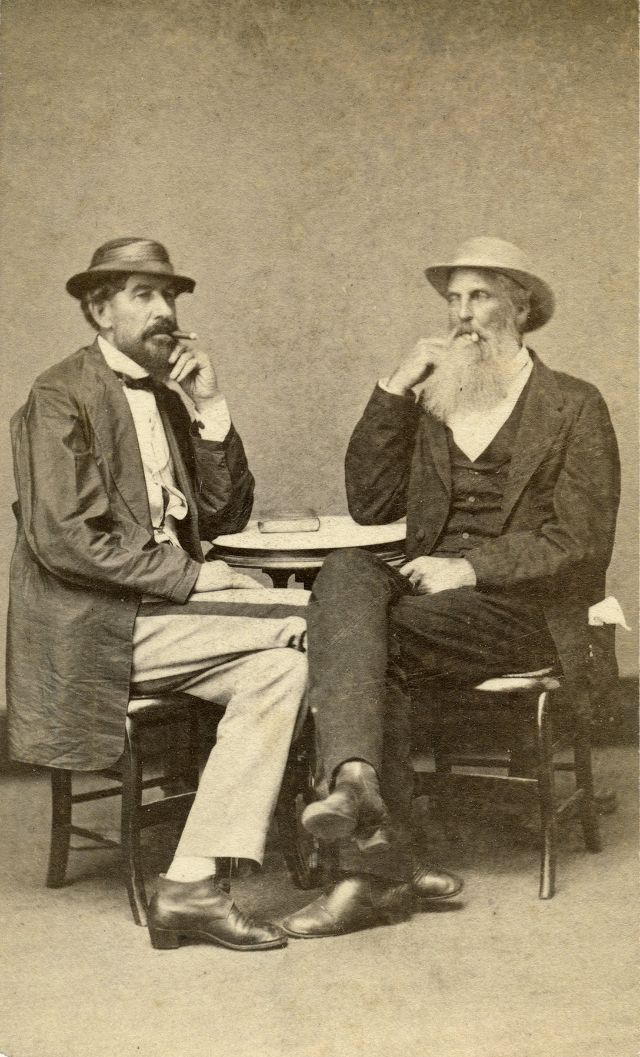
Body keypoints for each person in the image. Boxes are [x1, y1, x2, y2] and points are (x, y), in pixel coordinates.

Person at [282, 237, 620, 939]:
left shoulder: (574, 405)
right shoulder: (437, 396)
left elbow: (580, 544)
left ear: (521, 305)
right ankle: (367, 818)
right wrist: (396, 386)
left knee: (360, 638)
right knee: (346, 570)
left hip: (524, 610)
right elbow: (371, 505)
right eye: (453, 300)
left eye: (480, 296)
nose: (462, 316)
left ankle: (367, 845)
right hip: (433, 601)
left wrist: (469, 568)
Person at [7, 237, 311, 952]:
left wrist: (209, 407)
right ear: (98, 309)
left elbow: (226, 513)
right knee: (309, 616)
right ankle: (351, 829)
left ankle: (190, 880)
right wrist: (193, 575)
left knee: (284, 666)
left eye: (168, 295)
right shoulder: (58, 395)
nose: (163, 311)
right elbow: (62, 539)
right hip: (101, 630)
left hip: (171, 623)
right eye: (143, 295)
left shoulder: (165, 395)